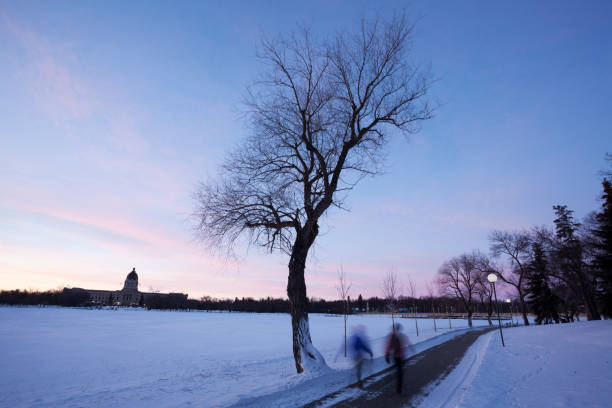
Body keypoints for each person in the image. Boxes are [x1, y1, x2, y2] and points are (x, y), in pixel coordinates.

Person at [385, 323, 414, 395]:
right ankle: (399, 390)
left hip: (399, 356)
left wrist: (387, 355)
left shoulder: (395, 336)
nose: (396, 330)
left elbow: (389, 346)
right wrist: (387, 355)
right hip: (398, 357)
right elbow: (389, 346)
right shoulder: (395, 336)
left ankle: (397, 383)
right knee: (400, 373)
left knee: (400, 371)